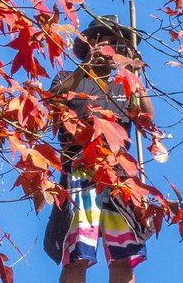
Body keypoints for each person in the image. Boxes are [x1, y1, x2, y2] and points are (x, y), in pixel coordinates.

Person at [49, 16, 154, 283]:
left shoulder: (125, 84)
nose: (110, 50)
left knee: (123, 257)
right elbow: (54, 99)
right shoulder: (71, 78)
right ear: (91, 44)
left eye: (116, 45)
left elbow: (146, 118)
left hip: (119, 175)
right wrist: (85, 68)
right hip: (81, 171)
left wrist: (133, 73)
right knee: (78, 254)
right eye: (105, 42)